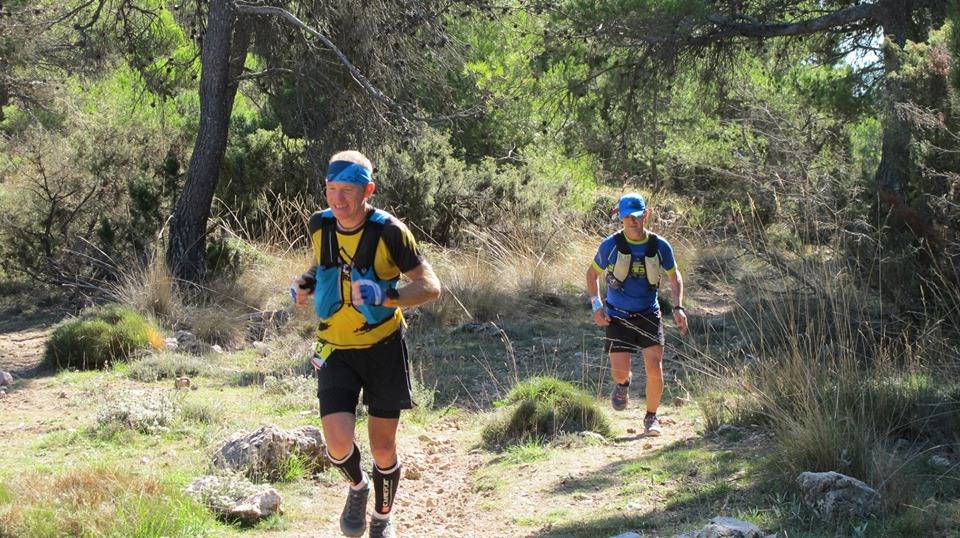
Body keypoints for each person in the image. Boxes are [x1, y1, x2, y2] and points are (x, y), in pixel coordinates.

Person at [293, 150, 441, 538]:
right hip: (335, 349)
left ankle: (382, 515)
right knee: (337, 444)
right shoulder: (320, 224)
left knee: (383, 449)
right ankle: (357, 488)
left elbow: (430, 286)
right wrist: (306, 283)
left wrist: (384, 294)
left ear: (368, 190)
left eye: (348, 190)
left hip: (383, 349)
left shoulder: (390, 231)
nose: (338, 200)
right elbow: (321, 265)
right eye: (331, 189)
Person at [585, 192, 688, 437]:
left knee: (655, 368)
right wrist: (596, 306)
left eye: (637, 216)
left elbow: (675, 277)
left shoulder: (659, 245)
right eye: (627, 217)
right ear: (620, 218)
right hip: (617, 315)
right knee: (620, 371)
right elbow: (592, 274)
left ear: (647, 215)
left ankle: (651, 418)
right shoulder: (611, 245)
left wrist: (678, 306)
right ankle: (622, 385)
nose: (632, 221)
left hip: (649, 314)